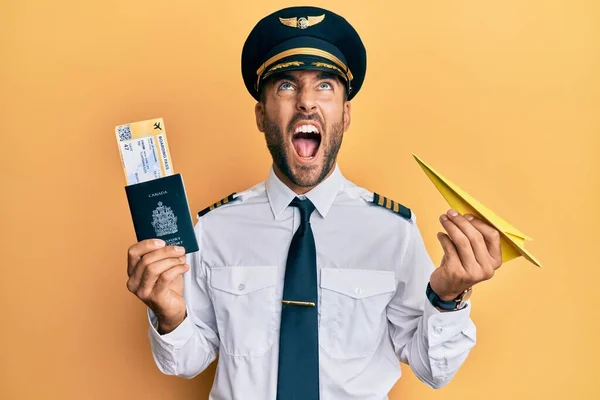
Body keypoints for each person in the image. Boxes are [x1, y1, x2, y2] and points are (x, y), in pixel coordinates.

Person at [126, 6, 503, 400]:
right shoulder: (215, 227)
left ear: (345, 113)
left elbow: (433, 370)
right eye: (286, 86)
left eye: (325, 85)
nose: (306, 102)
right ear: (260, 114)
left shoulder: (393, 230)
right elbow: (188, 360)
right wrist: (170, 315)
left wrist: (447, 297)